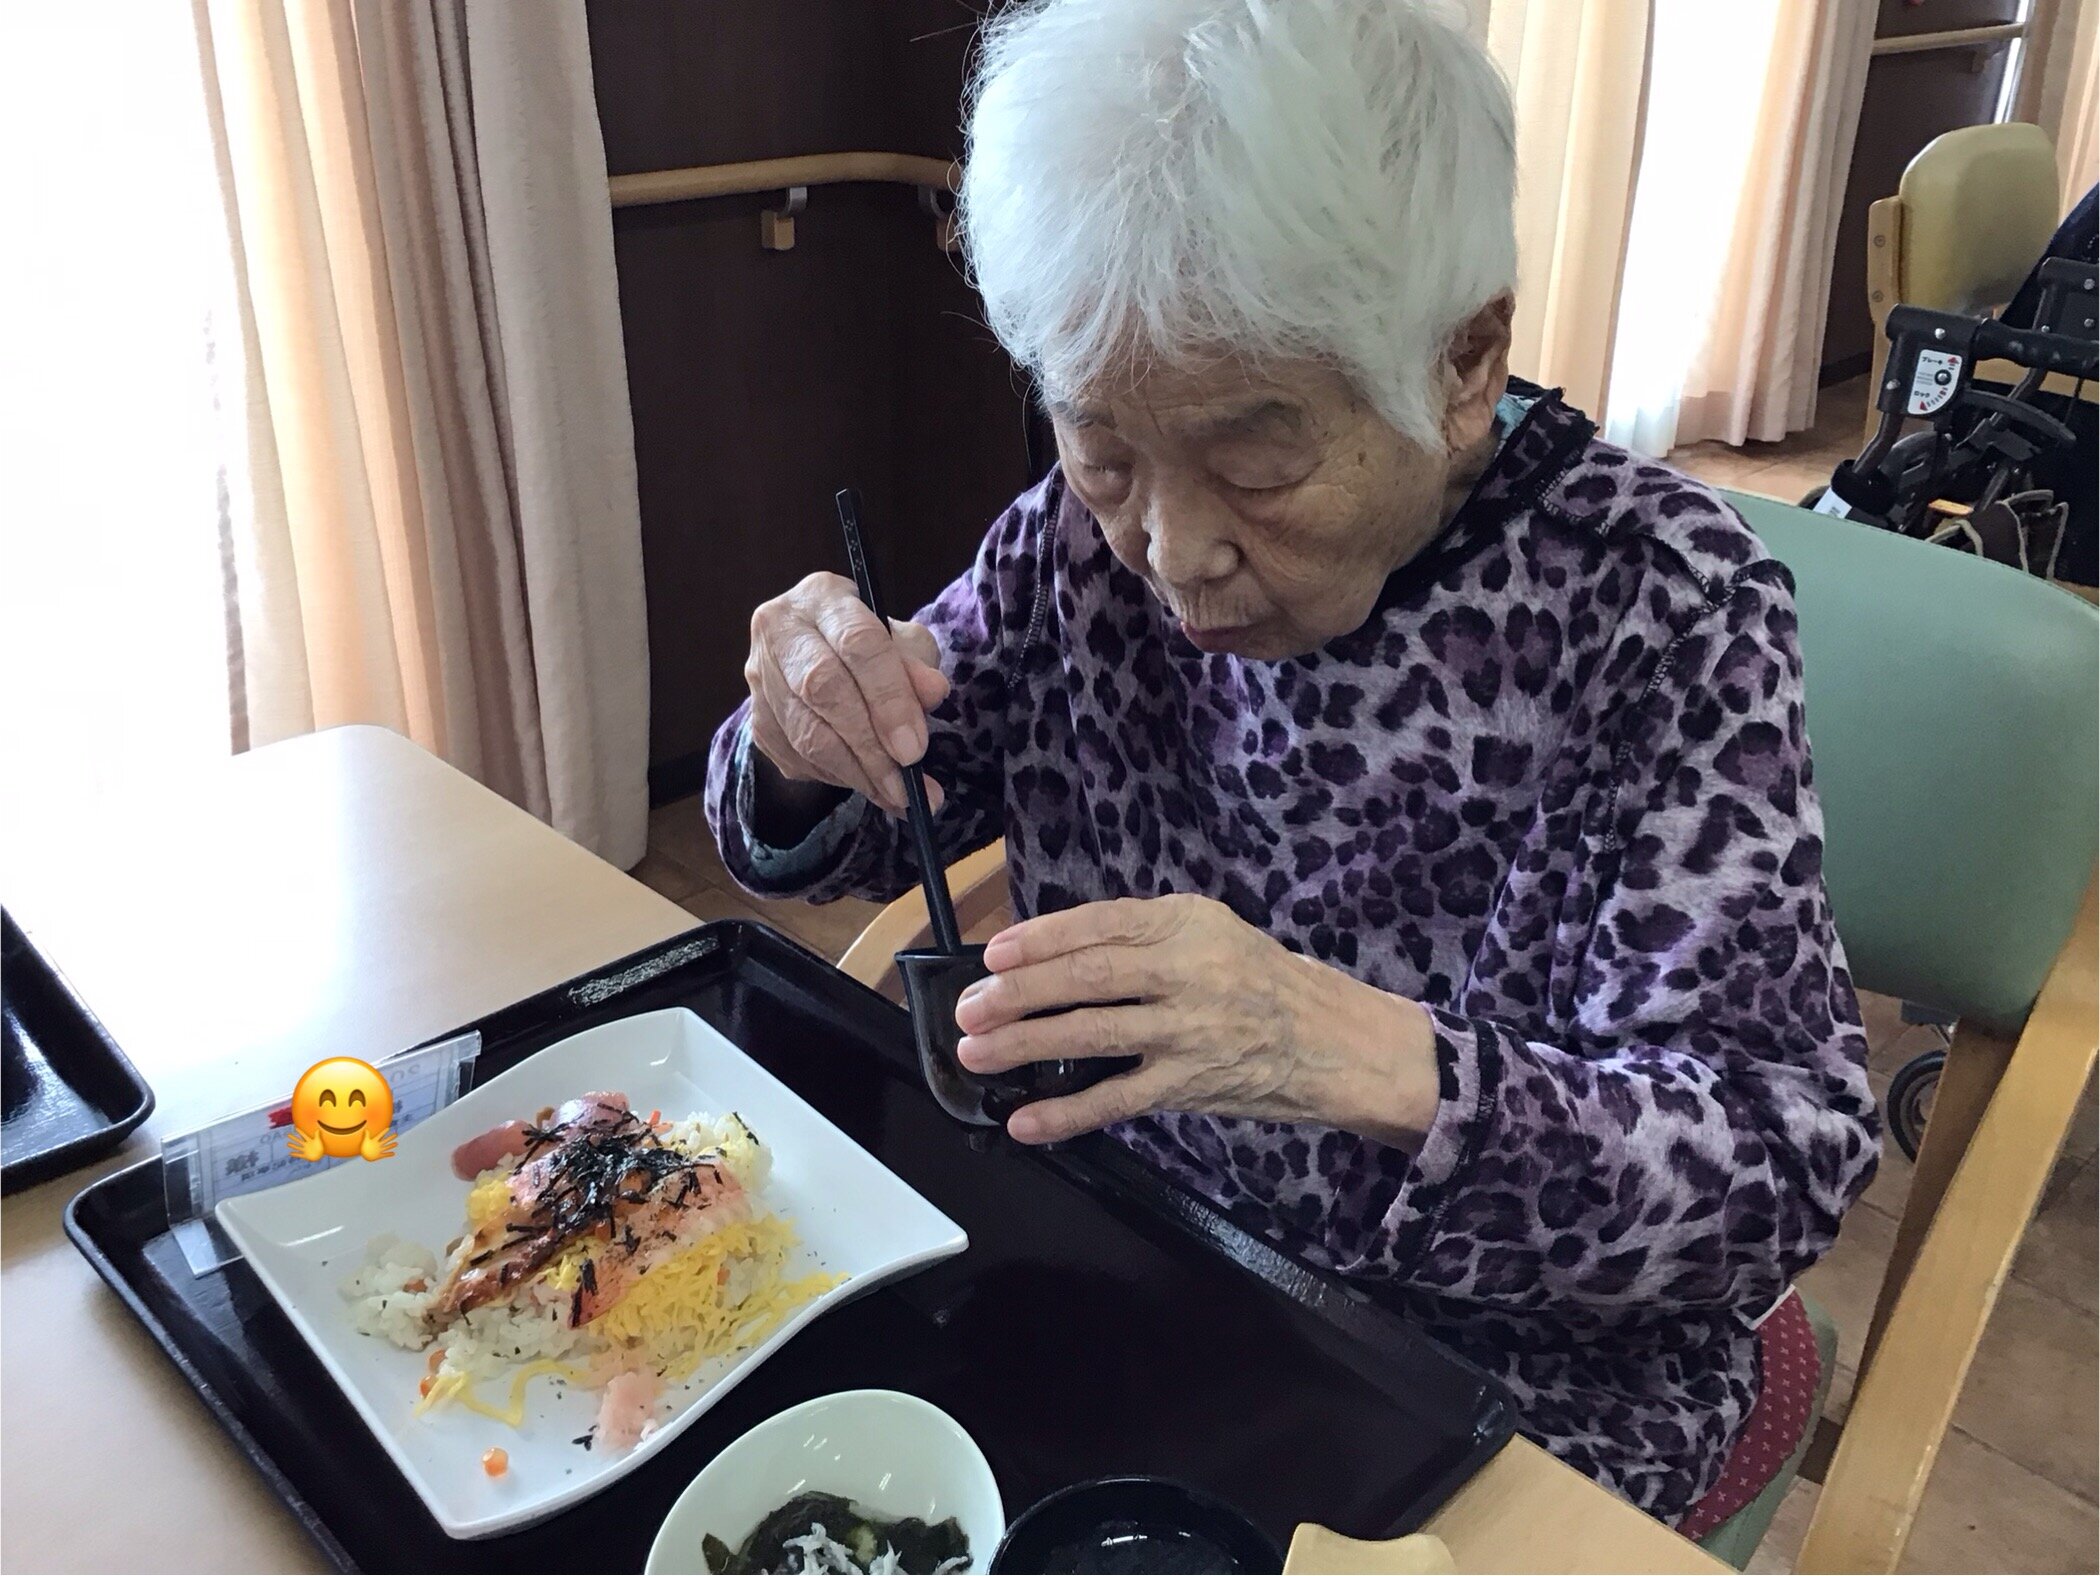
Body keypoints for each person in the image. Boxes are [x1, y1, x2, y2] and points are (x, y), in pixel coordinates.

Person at [705, 0, 1878, 1528]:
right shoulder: (1077, 543)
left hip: (1488, 1380)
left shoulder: (1659, 612)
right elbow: (865, 823)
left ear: (1463, 362)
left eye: (1258, 464)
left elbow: (1774, 1166)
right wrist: (804, 732)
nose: (1171, 551)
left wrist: (1366, 1059)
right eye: (1102, 450)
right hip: (1121, 1253)